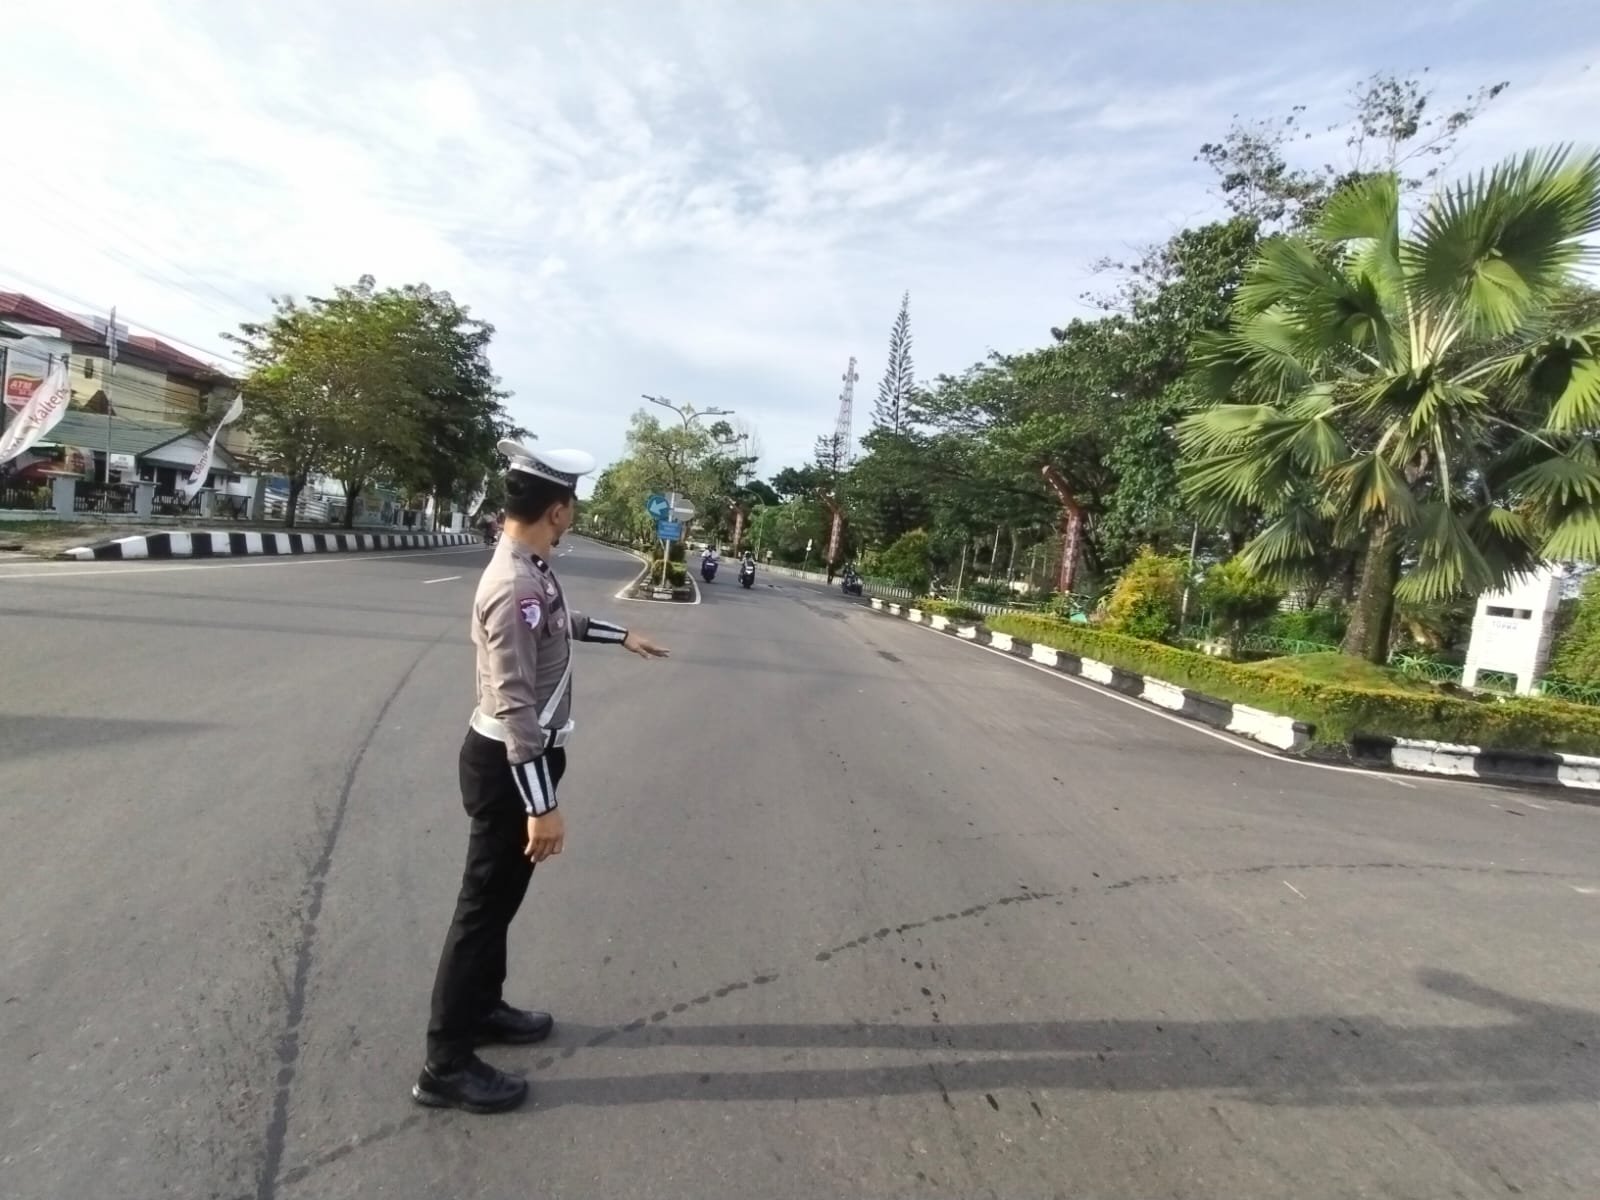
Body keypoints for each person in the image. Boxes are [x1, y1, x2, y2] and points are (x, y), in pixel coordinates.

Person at [414, 438, 669, 1114]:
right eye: (572, 505)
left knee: (499, 903)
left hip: (518, 762)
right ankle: (444, 1064)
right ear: (556, 511)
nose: (573, 514)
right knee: (480, 911)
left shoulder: (531, 568)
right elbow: (515, 705)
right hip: (509, 765)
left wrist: (621, 634)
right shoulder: (513, 584)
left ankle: (484, 1008)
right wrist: (542, 804)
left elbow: (558, 623)